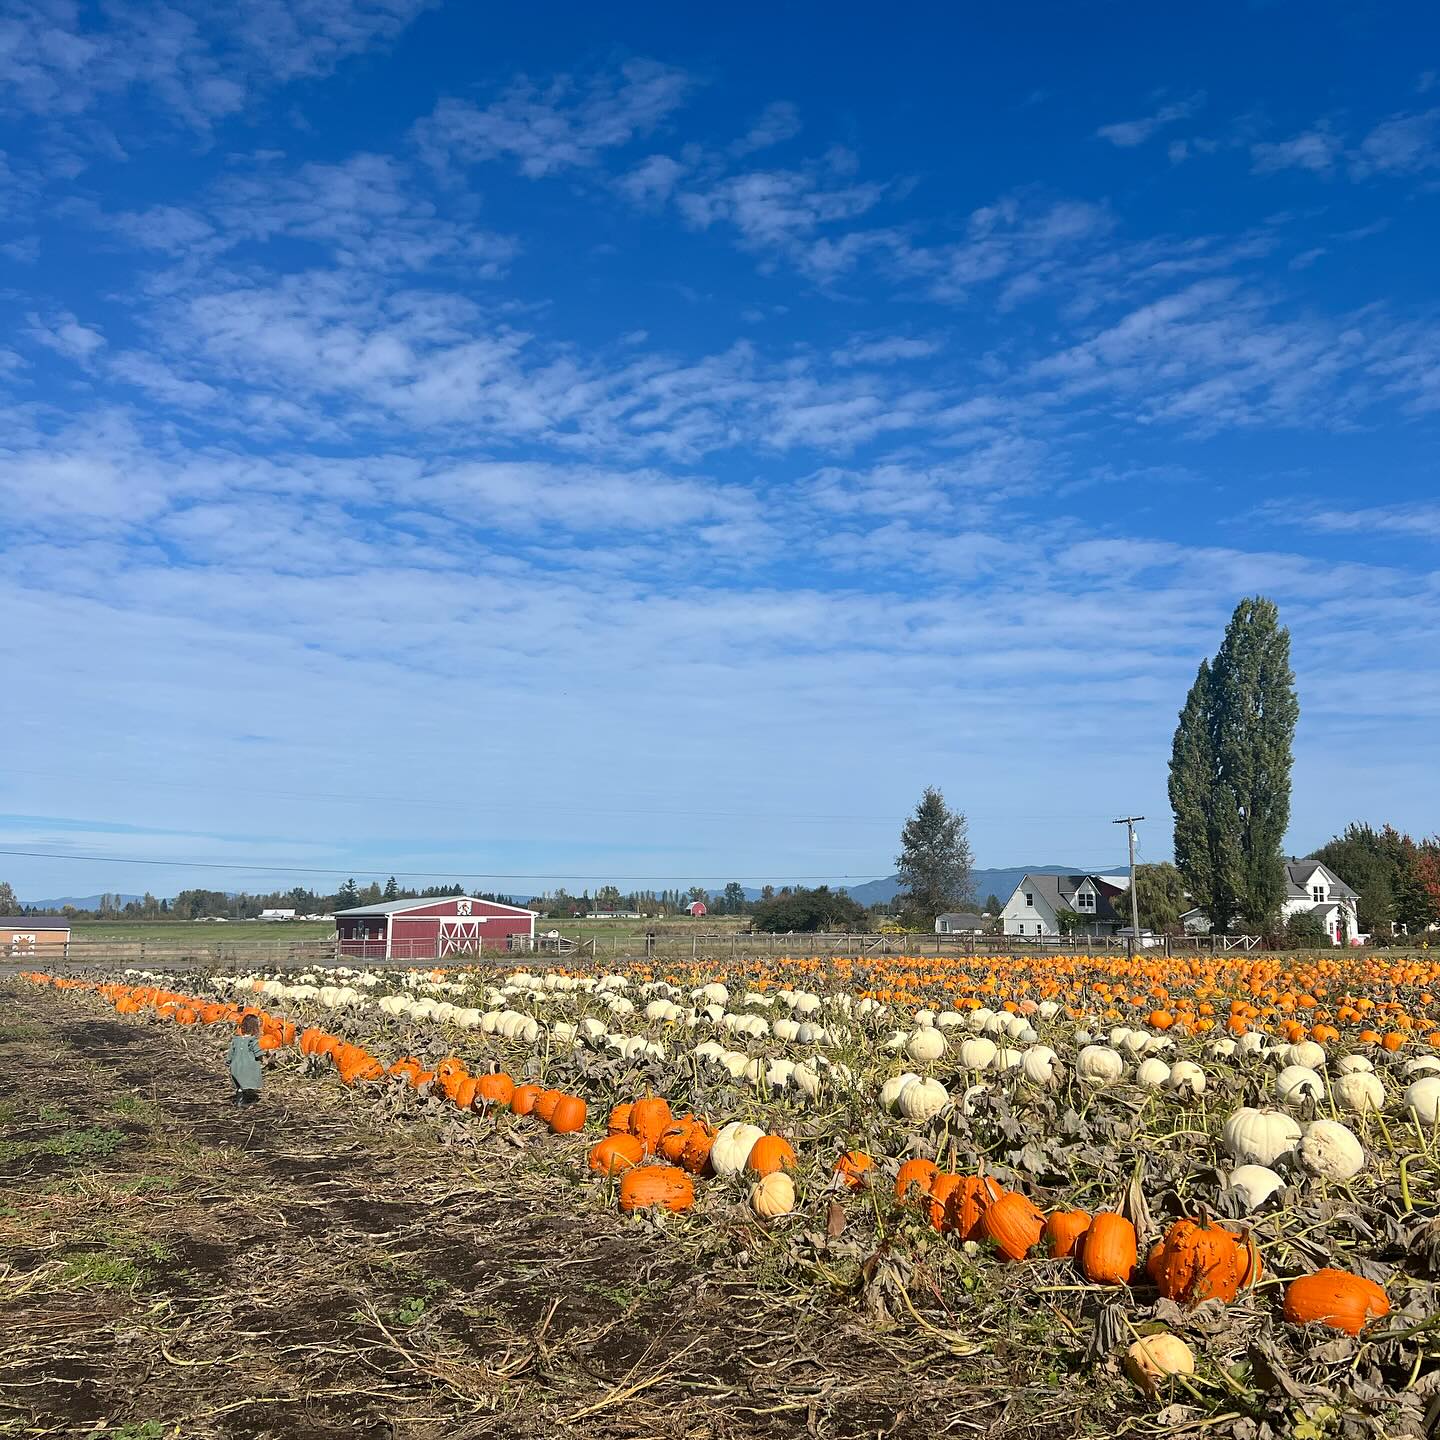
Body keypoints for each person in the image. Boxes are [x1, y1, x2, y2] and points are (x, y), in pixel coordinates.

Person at [228, 1013, 263, 1107]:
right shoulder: (253, 1041)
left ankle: (239, 1099)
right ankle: (244, 1100)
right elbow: (258, 1053)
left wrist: (228, 1062)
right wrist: (261, 1058)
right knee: (247, 1081)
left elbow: (230, 1053)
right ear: (255, 1028)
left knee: (240, 1084)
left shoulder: (236, 1040)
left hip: (235, 1066)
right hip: (248, 1067)